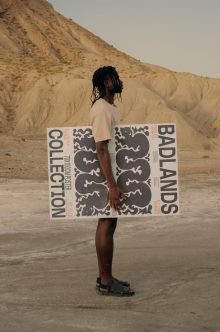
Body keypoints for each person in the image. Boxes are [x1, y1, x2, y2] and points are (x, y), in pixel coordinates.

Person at [89, 66, 135, 297]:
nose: (119, 82)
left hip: (113, 175)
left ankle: (105, 276)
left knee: (110, 224)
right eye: (115, 78)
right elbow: (101, 148)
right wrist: (112, 186)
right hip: (108, 177)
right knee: (106, 224)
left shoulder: (109, 107)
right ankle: (106, 281)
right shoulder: (101, 109)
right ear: (107, 82)